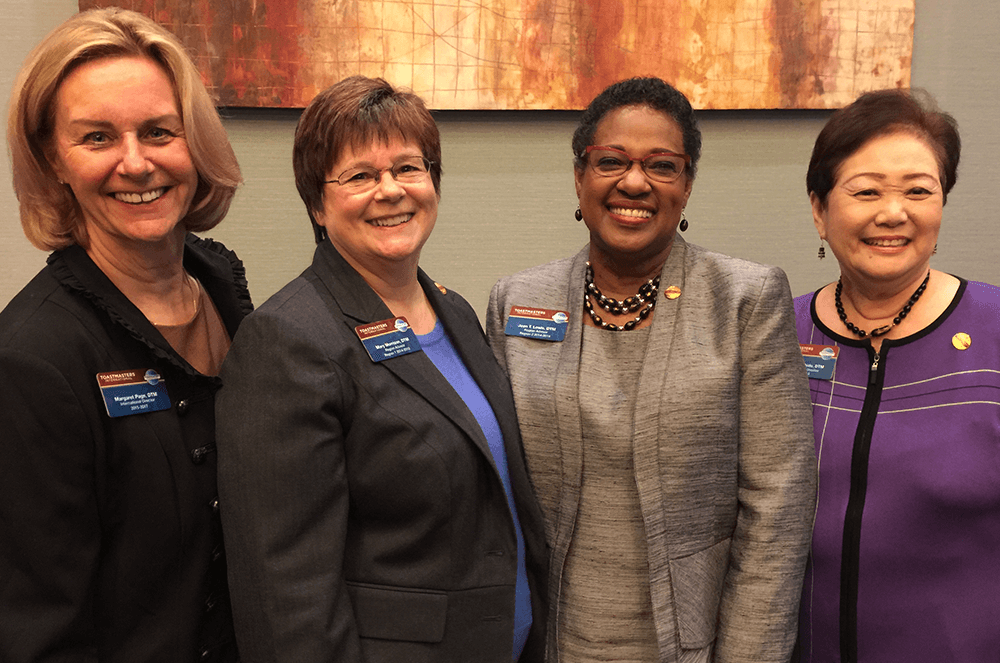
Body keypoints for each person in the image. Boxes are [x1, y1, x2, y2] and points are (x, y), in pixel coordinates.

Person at [215, 75, 548, 663]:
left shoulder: (455, 312)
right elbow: (285, 595)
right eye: (360, 176)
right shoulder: (288, 339)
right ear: (317, 205)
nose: (390, 190)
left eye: (408, 168)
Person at [486, 77, 816, 662]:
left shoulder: (745, 300)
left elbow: (777, 509)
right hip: (545, 640)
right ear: (580, 175)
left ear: (686, 186)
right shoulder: (516, 302)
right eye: (610, 161)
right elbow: (491, 492)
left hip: (694, 645)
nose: (633, 182)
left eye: (662, 165)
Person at [0, 7, 246, 663]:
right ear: (54, 158)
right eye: (98, 137)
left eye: (159, 131)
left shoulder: (224, 287)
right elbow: (39, 632)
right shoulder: (33, 357)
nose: (136, 164)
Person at [795, 89, 1000, 662]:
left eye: (918, 190)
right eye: (866, 191)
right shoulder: (773, 336)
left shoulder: (995, 332)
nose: (893, 212)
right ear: (819, 209)